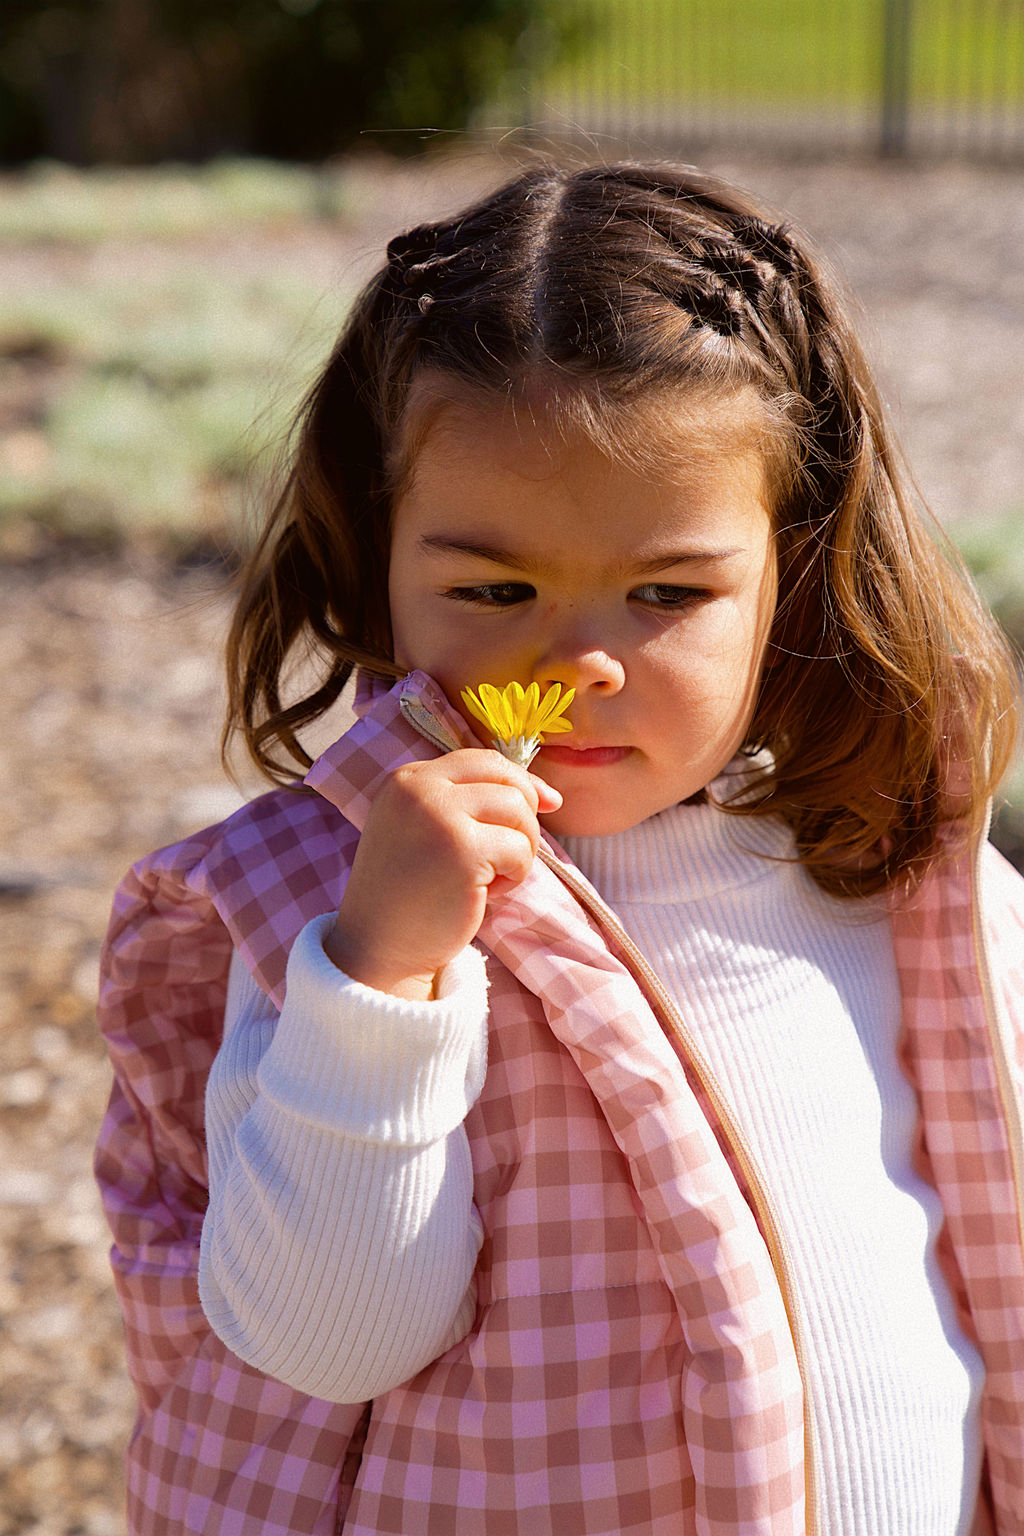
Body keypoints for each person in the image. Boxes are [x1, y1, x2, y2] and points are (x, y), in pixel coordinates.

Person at [95, 161, 1024, 1536]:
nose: (579, 662)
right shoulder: (325, 911)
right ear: (376, 569)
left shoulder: (892, 868)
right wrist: (381, 980)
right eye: (493, 589)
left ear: (796, 567)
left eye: (666, 592)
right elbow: (326, 1342)